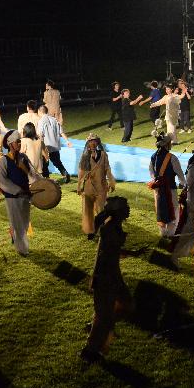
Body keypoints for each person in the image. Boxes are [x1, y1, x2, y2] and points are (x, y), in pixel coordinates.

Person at [80, 196, 134, 363]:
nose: (129, 209)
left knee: (125, 304)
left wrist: (133, 253)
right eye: (125, 207)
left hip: (112, 274)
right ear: (118, 212)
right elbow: (108, 253)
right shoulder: (111, 228)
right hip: (106, 277)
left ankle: (99, 324)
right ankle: (90, 350)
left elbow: (112, 251)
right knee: (105, 315)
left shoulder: (113, 225)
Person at [0, 130, 43, 256]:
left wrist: (42, 182)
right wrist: (17, 190)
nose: (19, 143)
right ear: (10, 144)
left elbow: (32, 174)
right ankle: (22, 249)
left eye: (20, 141)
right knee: (18, 223)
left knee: (24, 220)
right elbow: (1, 181)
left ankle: (15, 236)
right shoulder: (3, 161)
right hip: (12, 197)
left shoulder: (23, 157)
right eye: (17, 142)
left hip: (26, 195)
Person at [78, 134, 116, 238]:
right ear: (88, 143)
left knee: (102, 209)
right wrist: (79, 186)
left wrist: (111, 181)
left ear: (98, 142)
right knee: (88, 210)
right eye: (91, 141)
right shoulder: (85, 156)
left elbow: (107, 168)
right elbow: (81, 172)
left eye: (95, 141)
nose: (93, 143)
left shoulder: (103, 155)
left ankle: (105, 228)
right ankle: (90, 231)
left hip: (101, 186)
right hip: (88, 187)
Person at [149, 133, 186, 237]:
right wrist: (183, 184)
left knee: (160, 208)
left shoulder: (153, 156)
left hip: (157, 189)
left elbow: (151, 173)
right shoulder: (172, 157)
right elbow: (180, 175)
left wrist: (156, 181)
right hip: (170, 188)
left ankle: (162, 232)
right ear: (166, 144)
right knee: (173, 209)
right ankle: (170, 232)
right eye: (170, 143)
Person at [37, 105, 72, 183]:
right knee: (57, 162)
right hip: (55, 145)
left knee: (45, 164)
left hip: (46, 146)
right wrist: (67, 141)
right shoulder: (54, 119)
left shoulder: (41, 121)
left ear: (39, 112)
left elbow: (40, 135)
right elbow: (61, 132)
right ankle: (65, 174)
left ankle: (46, 179)